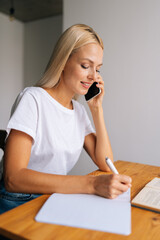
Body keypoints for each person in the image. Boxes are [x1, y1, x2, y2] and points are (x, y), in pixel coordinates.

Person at [0, 24, 131, 214]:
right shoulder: (33, 98)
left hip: (52, 196)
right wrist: (91, 184)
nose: (93, 76)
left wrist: (97, 109)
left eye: (98, 69)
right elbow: (13, 178)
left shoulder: (78, 110)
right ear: (63, 61)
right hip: (18, 200)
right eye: (86, 66)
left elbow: (104, 162)